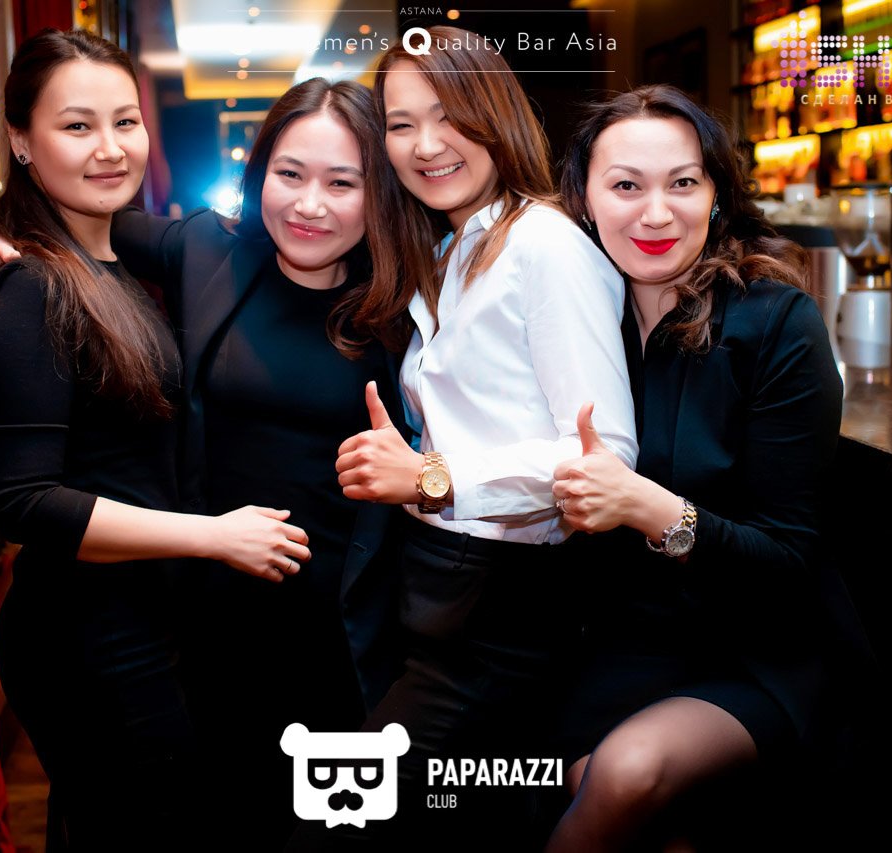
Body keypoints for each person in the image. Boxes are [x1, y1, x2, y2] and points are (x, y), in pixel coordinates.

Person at [0, 75, 410, 850]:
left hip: (345, 632)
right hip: (210, 625)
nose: (310, 204)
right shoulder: (210, 251)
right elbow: (78, 216)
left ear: (381, 193)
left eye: (343, 183)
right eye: (290, 174)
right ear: (259, 174)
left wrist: (423, 469)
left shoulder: (409, 298)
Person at [307, 26, 638, 849]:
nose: (426, 145)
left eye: (449, 114)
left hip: (505, 613)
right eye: (402, 124)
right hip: (444, 591)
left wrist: (432, 475)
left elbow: (602, 457)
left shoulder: (544, 245)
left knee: (339, 823)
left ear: (495, 112)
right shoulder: (453, 245)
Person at [545, 84, 871, 851]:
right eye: (626, 185)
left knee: (625, 773)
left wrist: (646, 505)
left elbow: (788, 561)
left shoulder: (776, 322)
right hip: (615, 642)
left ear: (717, 193)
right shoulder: (574, 318)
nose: (656, 213)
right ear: (585, 198)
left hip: (758, 647)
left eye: (683, 183)